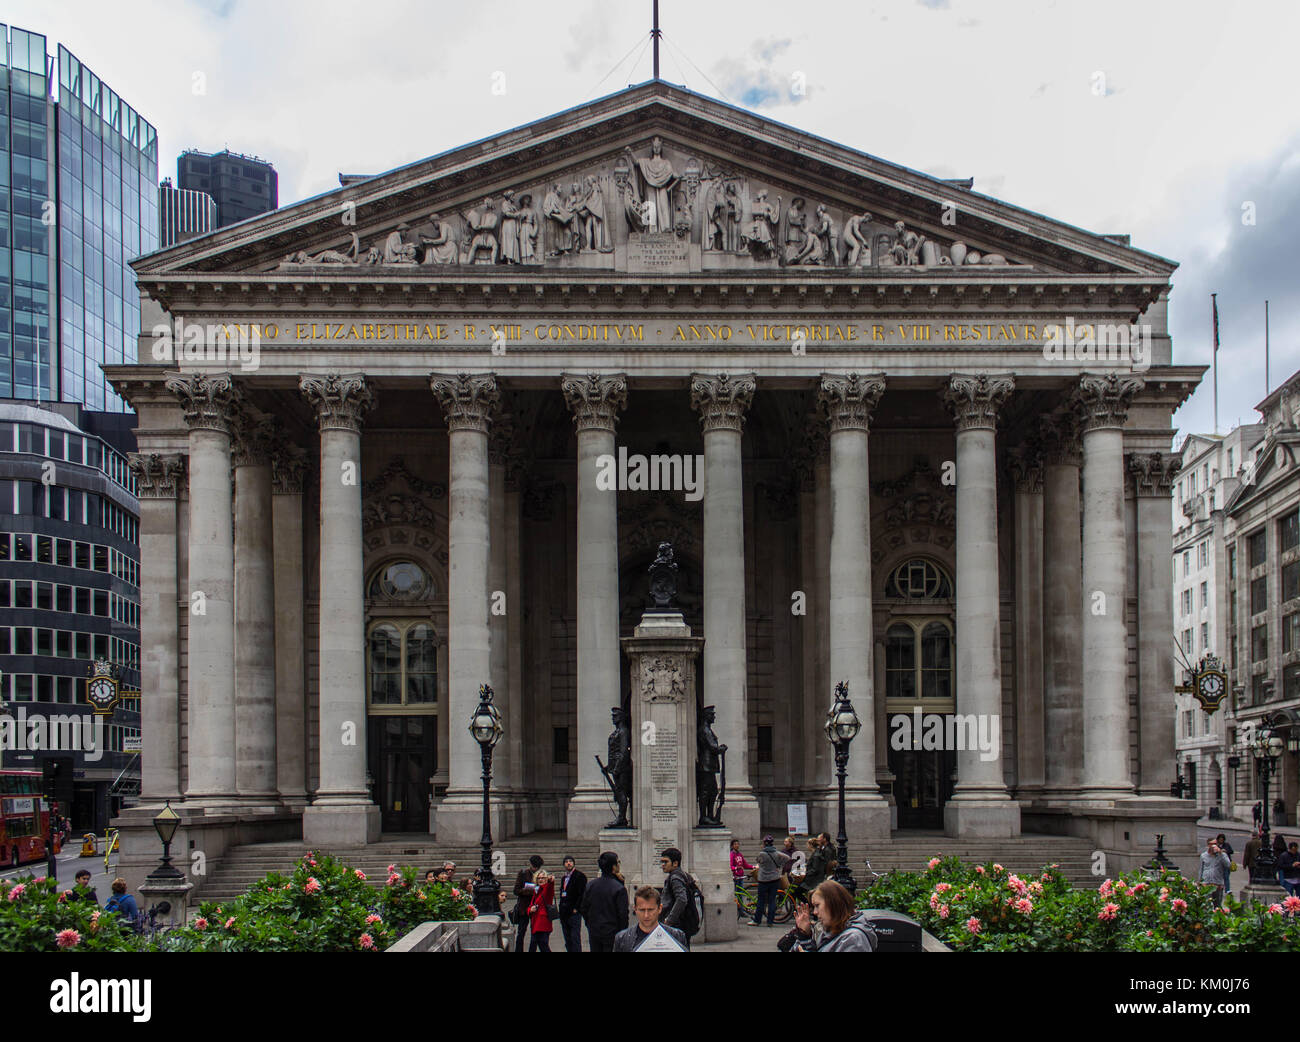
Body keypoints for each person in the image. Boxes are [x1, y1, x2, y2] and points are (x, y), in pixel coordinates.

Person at [781, 880, 876, 952]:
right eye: (814, 907)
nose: (815, 912)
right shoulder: (829, 930)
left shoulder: (854, 938)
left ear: (833, 904)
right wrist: (804, 935)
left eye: (817, 906)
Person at [613, 885, 688, 951]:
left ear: (660, 908)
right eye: (642, 910)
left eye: (650, 910)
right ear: (635, 909)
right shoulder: (622, 939)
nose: (646, 915)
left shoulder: (677, 936)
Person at [581, 851, 628, 953]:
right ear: (614, 867)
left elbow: (584, 908)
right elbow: (623, 914)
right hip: (612, 932)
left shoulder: (591, 885)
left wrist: (589, 924)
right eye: (618, 862)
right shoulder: (619, 888)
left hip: (594, 931)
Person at [751, 834, 791, 927]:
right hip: (774, 879)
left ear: (764, 844)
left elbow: (758, 861)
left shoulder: (762, 854)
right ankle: (770, 921)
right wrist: (780, 865)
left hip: (763, 880)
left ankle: (757, 920)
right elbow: (787, 858)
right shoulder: (776, 853)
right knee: (772, 900)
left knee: (761, 901)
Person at [512, 855, 543, 953]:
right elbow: (516, 890)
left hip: (535, 907)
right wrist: (529, 891)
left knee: (535, 932)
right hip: (524, 907)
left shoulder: (541, 875)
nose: (535, 869)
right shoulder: (523, 873)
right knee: (521, 932)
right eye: (534, 867)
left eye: (537, 867)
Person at [558, 855, 588, 953]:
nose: (568, 863)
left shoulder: (579, 876)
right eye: (566, 862)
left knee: (575, 937)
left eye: (570, 861)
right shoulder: (564, 878)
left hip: (574, 912)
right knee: (567, 938)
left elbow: (582, 894)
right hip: (564, 912)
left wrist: (576, 908)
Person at [526, 869, 555, 952]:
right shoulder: (537, 890)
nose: (541, 880)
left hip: (543, 922)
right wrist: (530, 910)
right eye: (539, 878)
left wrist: (550, 880)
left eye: (543, 878)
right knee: (536, 944)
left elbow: (550, 886)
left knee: (542, 944)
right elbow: (531, 904)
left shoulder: (546, 889)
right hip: (535, 922)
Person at [1198, 838, 1231, 906]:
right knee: (1206, 905)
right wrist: (1199, 881)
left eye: (1215, 844)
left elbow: (1228, 865)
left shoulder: (1222, 855)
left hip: (1217, 884)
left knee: (1217, 905)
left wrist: (1220, 853)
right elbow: (1201, 869)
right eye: (1212, 844)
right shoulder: (1203, 855)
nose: (1214, 846)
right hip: (1206, 883)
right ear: (1208, 845)